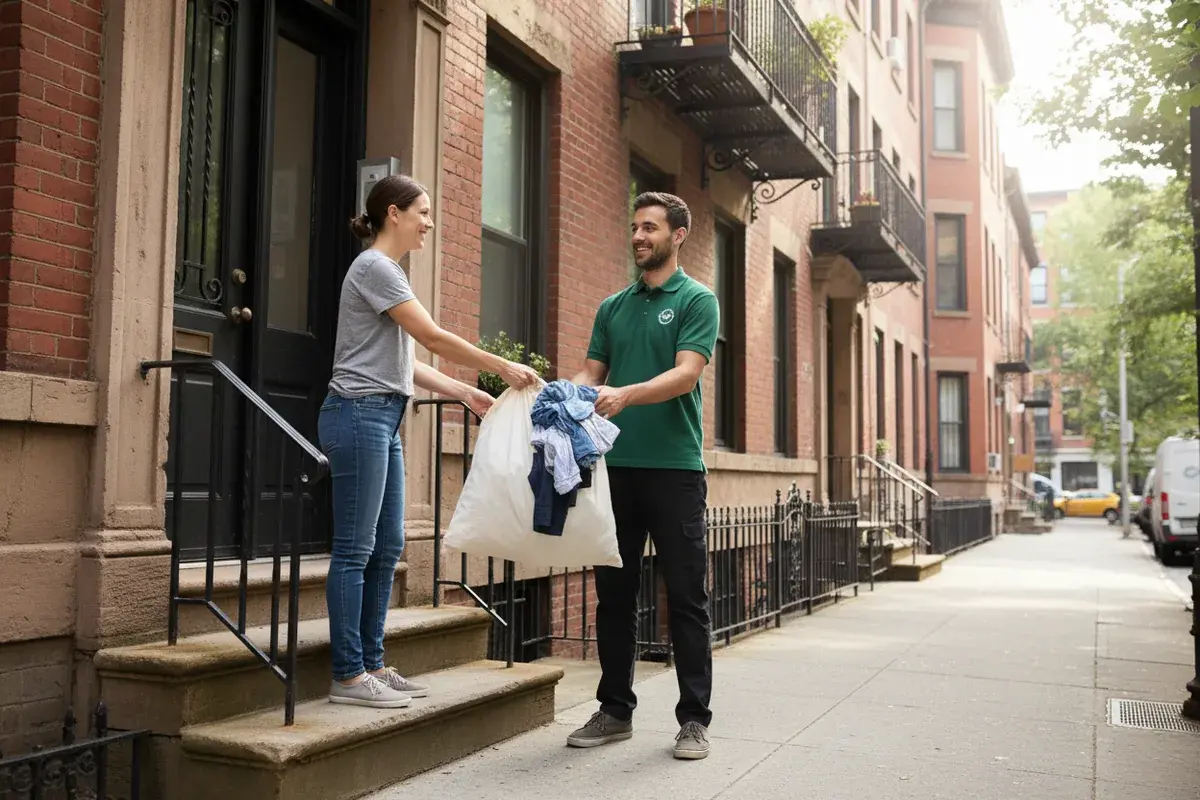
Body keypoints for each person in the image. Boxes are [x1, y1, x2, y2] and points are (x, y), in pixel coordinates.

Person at [320, 174, 541, 709]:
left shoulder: (388, 272)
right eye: (422, 212)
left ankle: (372, 663)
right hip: (358, 413)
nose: (429, 222)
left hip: (385, 416)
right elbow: (434, 337)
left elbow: (408, 360)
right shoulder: (374, 266)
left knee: (387, 546)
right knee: (356, 549)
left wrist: (465, 391)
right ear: (393, 214)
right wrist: (498, 366)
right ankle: (347, 675)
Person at [567, 191, 719, 760]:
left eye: (650, 227)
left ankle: (694, 721)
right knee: (614, 596)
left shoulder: (697, 299)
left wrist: (626, 394)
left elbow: (686, 374)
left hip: (675, 471)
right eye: (635, 226)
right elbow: (591, 373)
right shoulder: (613, 307)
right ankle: (614, 711)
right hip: (614, 470)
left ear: (678, 235)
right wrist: (552, 393)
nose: (638, 236)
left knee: (686, 598)